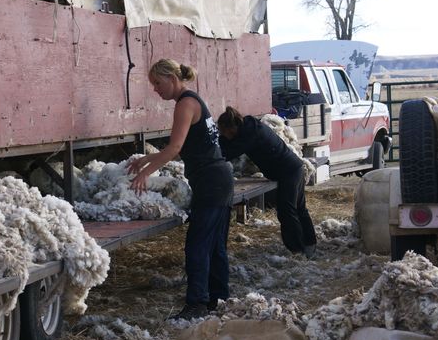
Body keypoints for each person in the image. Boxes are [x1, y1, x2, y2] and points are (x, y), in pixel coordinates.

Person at [127, 59, 234, 320]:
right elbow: (180, 148)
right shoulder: (193, 100)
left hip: (210, 182)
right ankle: (218, 299)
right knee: (215, 245)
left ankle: (197, 304)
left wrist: (145, 174)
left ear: (172, 79)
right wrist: (146, 159)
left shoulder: (185, 104)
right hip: (220, 179)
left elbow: (175, 147)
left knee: (197, 245)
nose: (155, 90)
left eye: (157, 83)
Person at [217, 106, 317, 258]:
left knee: (287, 211)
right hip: (294, 167)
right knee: (298, 208)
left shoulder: (249, 133)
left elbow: (229, 151)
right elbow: (228, 143)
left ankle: (298, 250)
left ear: (232, 127)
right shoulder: (248, 126)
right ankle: (309, 245)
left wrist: (209, 156)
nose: (225, 136)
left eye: (225, 132)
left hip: (289, 171)